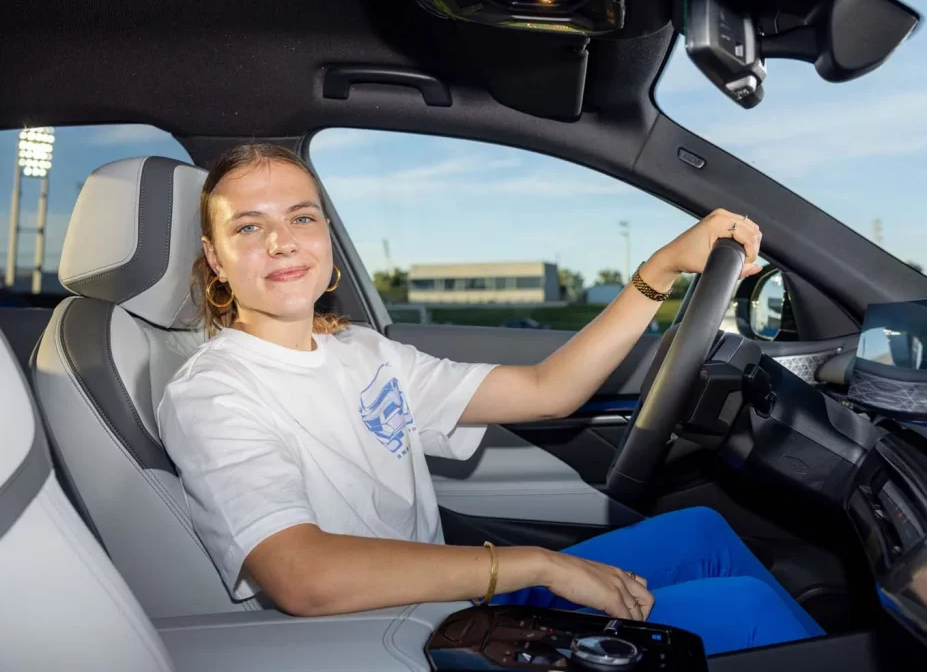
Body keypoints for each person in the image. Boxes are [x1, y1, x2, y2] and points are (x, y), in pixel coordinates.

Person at [157, 144, 824, 656]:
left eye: (301, 216)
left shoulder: (362, 352)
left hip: (450, 599)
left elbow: (547, 390)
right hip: (398, 634)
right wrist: (533, 564)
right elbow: (301, 575)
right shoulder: (213, 393)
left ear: (325, 236)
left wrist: (658, 271)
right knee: (744, 611)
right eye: (248, 228)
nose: (282, 241)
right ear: (215, 259)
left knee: (705, 532)